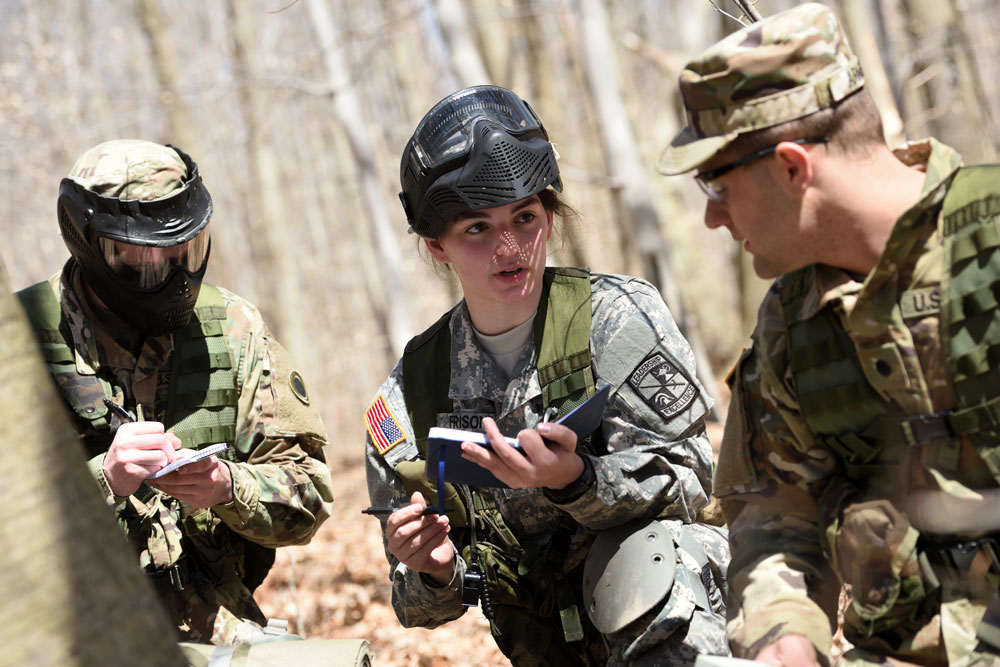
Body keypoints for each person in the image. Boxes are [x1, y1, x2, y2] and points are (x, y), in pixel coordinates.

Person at [659, 3, 1000, 665]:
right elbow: (772, 527)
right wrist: (784, 634)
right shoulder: (792, 328)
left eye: (718, 184)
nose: (710, 218)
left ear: (792, 167)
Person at [364, 84, 730, 666]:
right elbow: (419, 609)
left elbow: (695, 488)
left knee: (653, 555)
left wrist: (578, 479)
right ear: (437, 247)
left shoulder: (615, 320)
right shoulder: (413, 390)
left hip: (666, 623)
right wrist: (432, 571)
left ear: (550, 215)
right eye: (477, 229)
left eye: (525, 217)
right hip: (545, 643)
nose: (511, 247)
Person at [16, 139, 335, 645]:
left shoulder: (233, 329)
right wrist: (105, 481)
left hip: (216, 631)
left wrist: (230, 486)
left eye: (185, 250)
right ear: (88, 242)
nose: (173, 275)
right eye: (145, 259)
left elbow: (310, 498)